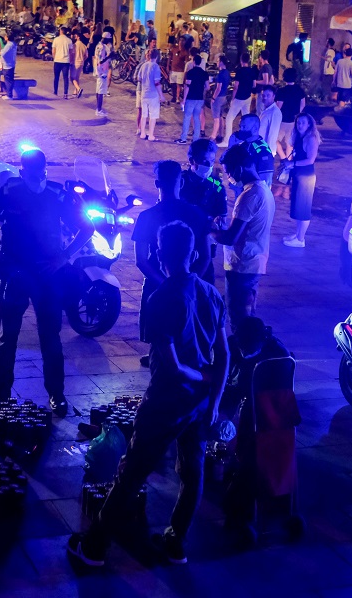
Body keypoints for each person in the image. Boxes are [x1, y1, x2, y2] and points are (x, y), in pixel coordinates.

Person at [67, 220, 229, 567]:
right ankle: (176, 543)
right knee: (192, 472)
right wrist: (213, 401)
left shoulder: (163, 298)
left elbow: (171, 366)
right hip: (199, 405)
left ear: (157, 254)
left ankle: (93, 549)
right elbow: (225, 355)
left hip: (168, 402)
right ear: (195, 254)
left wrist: (200, 377)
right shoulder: (212, 294)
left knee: (132, 473)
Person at [0, 148, 94, 416]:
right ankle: (0, 390)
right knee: (8, 336)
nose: (37, 175)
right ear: (21, 170)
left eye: (40, 170)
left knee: (50, 337)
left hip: (47, 277)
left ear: (45, 169)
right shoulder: (9, 191)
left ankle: (56, 394)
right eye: (31, 171)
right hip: (16, 274)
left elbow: (87, 227)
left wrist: (64, 257)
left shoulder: (56, 194)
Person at [133, 161, 211, 365]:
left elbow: (141, 260)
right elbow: (206, 257)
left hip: (157, 284)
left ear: (157, 183)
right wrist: (190, 283)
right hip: (190, 286)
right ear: (181, 182)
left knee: (159, 338)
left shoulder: (147, 217)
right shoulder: (197, 214)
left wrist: (166, 284)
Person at [223, 316, 294, 532]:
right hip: (251, 402)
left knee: (253, 455)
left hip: (268, 408)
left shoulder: (276, 355)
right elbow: (229, 378)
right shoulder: (234, 346)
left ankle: (240, 504)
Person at [213, 144, 275, 324]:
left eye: (229, 172)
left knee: (239, 319)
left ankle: (241, 351)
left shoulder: (250, 196)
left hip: (243, 265)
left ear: (239, 168)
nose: (229, 178)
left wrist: (209, 231)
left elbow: (231, 237)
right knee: (248, 316)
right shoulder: (263, 190)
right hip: (254, 262)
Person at [180, 139, 227, 285]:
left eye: (212, 161)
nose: (209, 166)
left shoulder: (217, 186)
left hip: (205, 249)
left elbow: (222, 218)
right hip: (180, 245)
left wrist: (217, 225)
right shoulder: (180, 182)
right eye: (204, 161)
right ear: (192, 160)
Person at [283, 113, 321, 248]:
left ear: (309, 124)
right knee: (298, 207)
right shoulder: (301, 137)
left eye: (303, 123)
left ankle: (300, 239)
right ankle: (298, 234)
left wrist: (292, 164)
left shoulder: (311, 138)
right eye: (298, 122)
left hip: (306, 177)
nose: (300, 125)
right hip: (300, 176)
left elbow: (310, 160)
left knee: (303, 208)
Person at [223, 52, 255, 147]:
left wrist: (233, 98)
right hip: (248, 97)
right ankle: (246, 139)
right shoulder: (252, 71)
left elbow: (236, 86)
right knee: (246, 118)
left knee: (229, 118)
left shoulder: (240, 71)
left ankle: (227, 139)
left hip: (239, 97)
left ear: (241, 60)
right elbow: (254, 85)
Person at [179, 54, 210, 144]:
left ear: (193, 62)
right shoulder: (204, 73)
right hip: (200, 98)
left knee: (187, 117)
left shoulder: (190, 72)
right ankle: (196, 138)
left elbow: (187, 86)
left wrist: (184, 99)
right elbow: (207, 87)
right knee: (197, 118)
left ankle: (183, 138)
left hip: (191, 97)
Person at [136, 48, 164, 141]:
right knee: (153, 116)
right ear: (157, 56)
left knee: (144, 115)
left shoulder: (143, 65)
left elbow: (138, 78)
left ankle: (143, 133)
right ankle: (151, 135)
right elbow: (157, 83)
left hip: (144, 93)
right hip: (153, 95)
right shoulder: (156, 67)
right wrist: (162, 96)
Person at [209, 55, 231, 142]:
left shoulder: (221, 74)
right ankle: (220, 135)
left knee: (216, 118)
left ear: (221, 62)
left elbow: (218, 88)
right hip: (224, 96)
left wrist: (213, 98)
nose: (217, 63)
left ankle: (213, 136)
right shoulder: (227, 73)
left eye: (218, 61)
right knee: (221, 117)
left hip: (218, 98)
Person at [94, 30, 114, 117]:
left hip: (99, 71)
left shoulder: (99, 46)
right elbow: (101, 61)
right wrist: (109, 56)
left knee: (99, 90)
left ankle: (98, 108)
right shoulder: (102, 48)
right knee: (101, 92)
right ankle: (99, 109)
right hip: (102, 71)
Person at [52, 26, 72, 98]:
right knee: (65, 78)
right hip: (66, 61)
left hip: (57, 60)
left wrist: (55, 58)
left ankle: (55, 92)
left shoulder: (56, 40)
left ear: (61, 31)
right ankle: (65, 93)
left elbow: (53, 51)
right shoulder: (69, 40)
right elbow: (70, 51)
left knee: (56, 77)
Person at [70, 30, 87, 98]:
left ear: (78, 37)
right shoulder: (84, 46)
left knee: (72, 78)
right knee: (77, 77)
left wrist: (71, 61)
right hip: (81, 63)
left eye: (76, 36)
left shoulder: (75, 45)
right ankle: (75, 92)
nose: (75, 36)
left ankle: (78, 89)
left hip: (75, 62)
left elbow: (72, 54)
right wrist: (82, 59)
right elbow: (86, 55)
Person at [0, 35, 17, 100]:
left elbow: (3, 53)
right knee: (9, 80)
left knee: (8, 80)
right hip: (11, 64)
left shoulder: (9, 45)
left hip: (7, 65)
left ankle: (9, 95)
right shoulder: (13, 44)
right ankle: (9, 94)